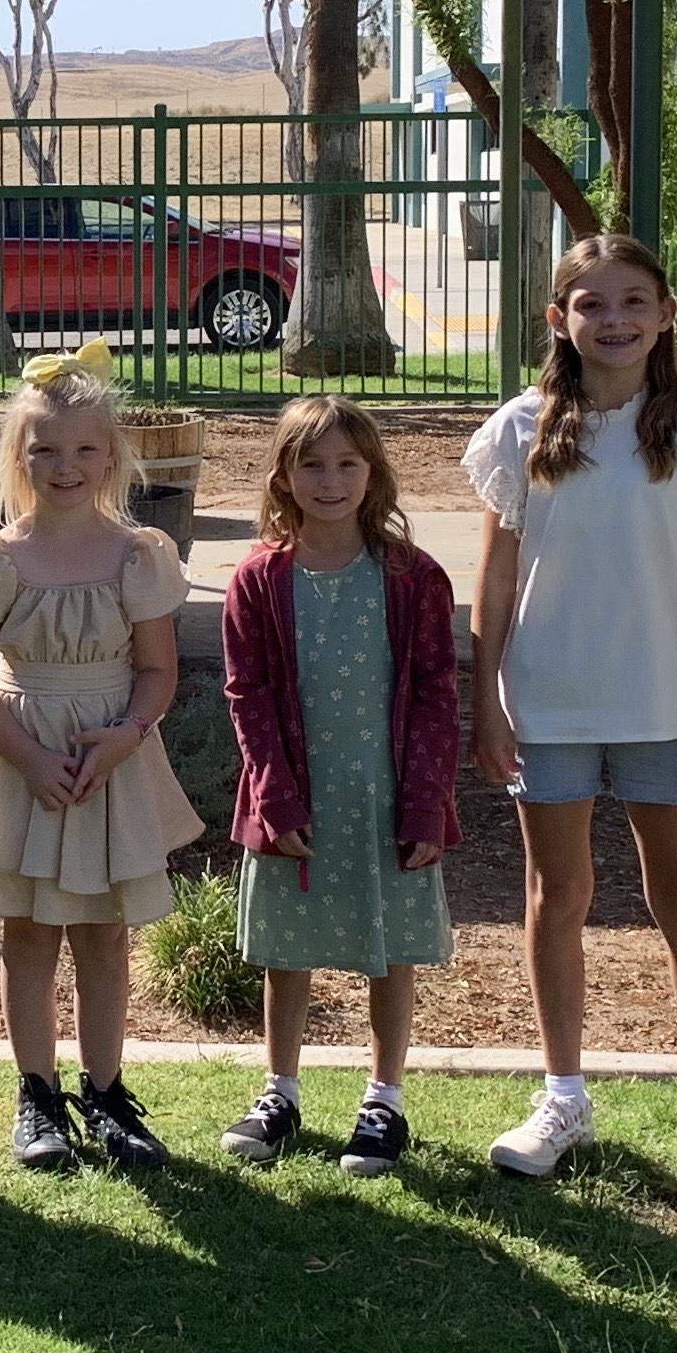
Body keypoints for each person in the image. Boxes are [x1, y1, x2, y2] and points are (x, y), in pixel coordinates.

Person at [464, 234, 677, 1204]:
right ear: (558, 320)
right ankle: (562, 1096)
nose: (612, 321)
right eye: (591, 304)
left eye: (632, 303)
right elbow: (494, 579)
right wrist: (486, 698)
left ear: (665, 317)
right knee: (557, 896)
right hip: (550, 708)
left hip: (666, 710)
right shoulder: (519, 431)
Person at [0, 344, 204, 1170]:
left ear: (113, 457)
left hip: (110, 766)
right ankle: (37, 1098)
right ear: (19, 457)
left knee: (104, 936)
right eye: (44, 448)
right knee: (26, 934)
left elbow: (158, 671)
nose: (65, 465)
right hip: (21, 764)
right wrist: (28, 758)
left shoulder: (137, 554)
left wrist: (127, 735)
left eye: (85, 449)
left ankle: (108, 1094)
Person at [215, 397, 461, 1175]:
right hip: (294, 793)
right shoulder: (257, 579)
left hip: (386, 793)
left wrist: (426, 801)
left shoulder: (413, 579)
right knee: (288, 950)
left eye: (347, 463)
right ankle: (279, 1092)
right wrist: (273, 796)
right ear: (283, 477)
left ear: (373, 472)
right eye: (311, 464)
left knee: (388, 952)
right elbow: (244, 693)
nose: (330, 480)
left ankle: (383, 1100)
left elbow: (435, 692)